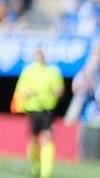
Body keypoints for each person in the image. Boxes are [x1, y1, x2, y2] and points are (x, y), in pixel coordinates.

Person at [14, 49, 66, 178]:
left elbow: (59, 89)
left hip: (47, 109)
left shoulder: (53, 72)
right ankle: (35, 166)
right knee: (33, 138)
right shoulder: (28, 71)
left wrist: (56, 93)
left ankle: (46, 172)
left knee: (46, 137)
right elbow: (21, 89)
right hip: (33, 109)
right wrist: (29, 93)